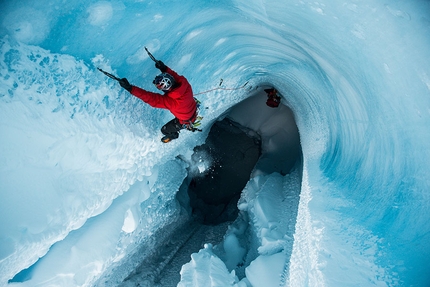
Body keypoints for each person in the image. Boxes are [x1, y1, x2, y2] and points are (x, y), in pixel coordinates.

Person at [118, 61, 198, 143]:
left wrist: (130, 88)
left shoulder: (172, 103)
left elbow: (151, 98)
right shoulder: (184, 83)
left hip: (186, 120)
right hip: (192, 108)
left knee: (164, 130)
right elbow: (174, 75)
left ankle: (173, 135)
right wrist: (164, 68)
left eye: (159, 87)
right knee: (184, 107)